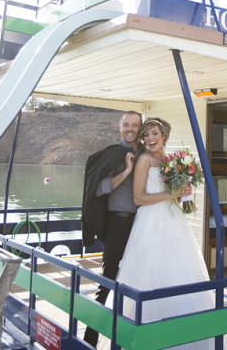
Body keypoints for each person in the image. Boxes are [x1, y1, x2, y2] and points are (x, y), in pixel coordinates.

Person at [102, 118, 227, 350]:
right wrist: (171, 194)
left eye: (154, 134)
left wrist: (185, 195)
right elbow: (138, 198)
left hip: (175, 223)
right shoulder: (144, 160)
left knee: (181, 271)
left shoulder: (172, 160)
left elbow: (180, 199)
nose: (150, 139)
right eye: (146, 135)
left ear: (163, 135)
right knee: (149, 274)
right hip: (149, 224)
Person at [82, 110, 142, 348]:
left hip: (140, 225)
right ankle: (90, 338)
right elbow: (99, 189)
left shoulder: (144, 154)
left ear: (140, 128)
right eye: (126, 125)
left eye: (135, 125)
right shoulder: (114, 154)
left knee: (137, 279)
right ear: (120, 127)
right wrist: (126, 171)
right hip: (118, 224)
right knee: (109, 279)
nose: (130, 129)